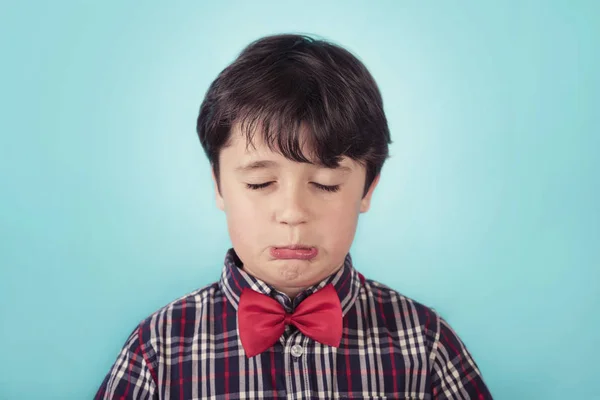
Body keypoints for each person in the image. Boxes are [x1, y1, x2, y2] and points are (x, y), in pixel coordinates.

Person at [95, 33, 493, 399]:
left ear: (367, 189)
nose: (292, 214)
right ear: (219, 186)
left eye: (325, 184)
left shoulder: (424, 344)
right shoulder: (158, 349)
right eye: (259, 183)